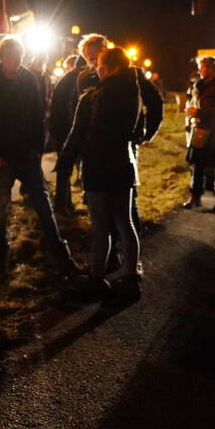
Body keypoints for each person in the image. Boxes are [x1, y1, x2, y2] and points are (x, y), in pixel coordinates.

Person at [0, 37, 80, 285]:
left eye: (19, 55)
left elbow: (38, 115)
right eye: (12, 56)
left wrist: (37, 149)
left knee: (44, 205)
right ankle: (0, 264)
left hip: (26, 156)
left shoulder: (29, 80)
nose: (16, 60)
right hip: (0, 158)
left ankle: (63, 260)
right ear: (2, 58)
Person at [57, 47, 142, 300]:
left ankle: (96, 277)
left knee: (101, 225)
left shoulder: (97, 96)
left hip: (99, 167)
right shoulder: (133, 90)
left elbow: (89, 133)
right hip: (123, 163)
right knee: (125, 223)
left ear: (107, 67)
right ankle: (130, 277)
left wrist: (71, 157)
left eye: (100, 66)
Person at [183, 57, 215, 212]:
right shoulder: (198, 85)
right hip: (199, 130)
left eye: (203, 67)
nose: (200, 70)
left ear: (212, 68)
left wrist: (200, 112)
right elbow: (192, 104)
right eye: (200, 67)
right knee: (196, 166)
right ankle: (195, 196)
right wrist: (190, 111)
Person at [48, 54, 88, 215]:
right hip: (68, 133)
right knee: (72, 170)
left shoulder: (65, 80)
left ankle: (64, 205)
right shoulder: (76, 81)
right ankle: (65, 206)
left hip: (62, 132)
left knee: (65, 171)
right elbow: (68, 110)